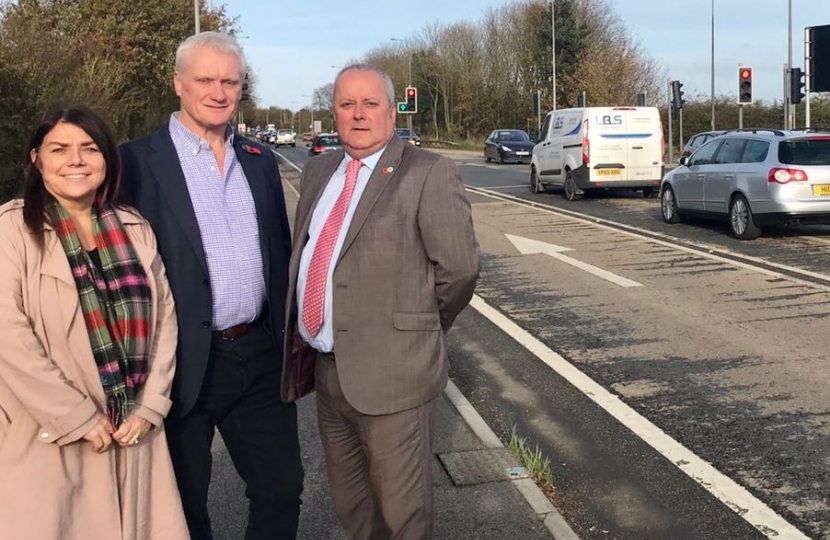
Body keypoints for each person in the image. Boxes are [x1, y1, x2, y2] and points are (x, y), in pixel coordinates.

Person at [281, 64, 480, 539]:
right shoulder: (319, 170)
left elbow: (459, 271)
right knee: (352, 507)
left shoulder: (428, 172)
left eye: (370, 104)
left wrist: (416, 330)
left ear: (392, 111)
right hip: (329, 373)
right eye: (347, 104)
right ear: (334, 112)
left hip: (395, 376)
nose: (358, 115)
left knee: (402, 517)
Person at [120, 31, 302, 540]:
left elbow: (279, 252)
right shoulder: (133, 162)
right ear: (178, 83)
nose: (218, 92)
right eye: (205, 79)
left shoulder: (259, 160)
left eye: (230, 81)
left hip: (257, 353)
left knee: (281, 489)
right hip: (178, 361)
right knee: (182, 504)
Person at [0, 106, 188, 539]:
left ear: (107, 158)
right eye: (60, 149)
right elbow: (10, 339)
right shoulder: (13, 229)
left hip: (131, 431)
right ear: (36, 159)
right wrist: (77, 417)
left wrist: (151, 405)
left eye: (89, 148)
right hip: (48, 434)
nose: (76, 160)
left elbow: (164, 320)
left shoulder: (134, 228)